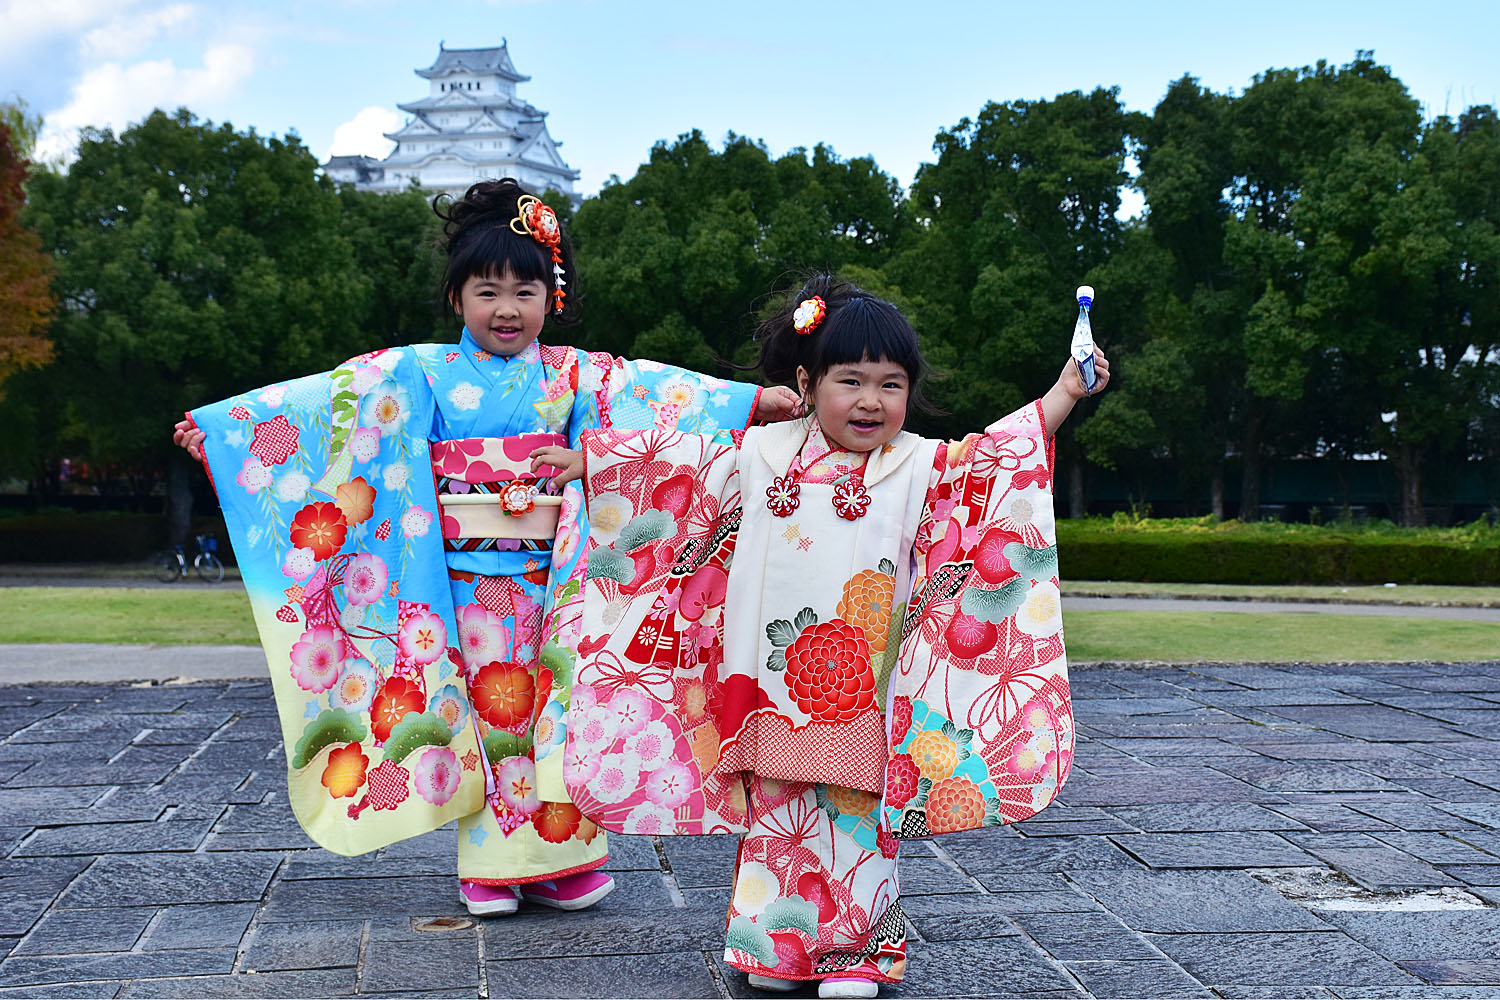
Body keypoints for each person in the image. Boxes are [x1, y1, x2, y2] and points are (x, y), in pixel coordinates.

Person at [176, 178, 801, 918]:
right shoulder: (418, 372)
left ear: (551, 297)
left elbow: (654, 394)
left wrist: (749, 401)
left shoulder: (578, 374)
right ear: (456, 299)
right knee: (486, 715)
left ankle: (567, 861)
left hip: (555, 580)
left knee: (556, 709)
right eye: (487, 291)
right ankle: (491, 867)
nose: (507, 309)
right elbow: (325, 407)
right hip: (461, 581)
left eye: (525, 291)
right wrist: (226, 435)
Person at [533, 274, 1109, 999]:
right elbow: (675, 463)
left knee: (858, 816)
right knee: (779, 813)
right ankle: (771, 949)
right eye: (851, 380)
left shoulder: (917, 464)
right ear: (806, 381)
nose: (872, 401)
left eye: (891, 384)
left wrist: (1064, 394)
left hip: (866, 682)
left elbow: (994, 459)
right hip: (769, 681)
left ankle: (856, 956)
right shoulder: (758, 454)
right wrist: (600, 463)